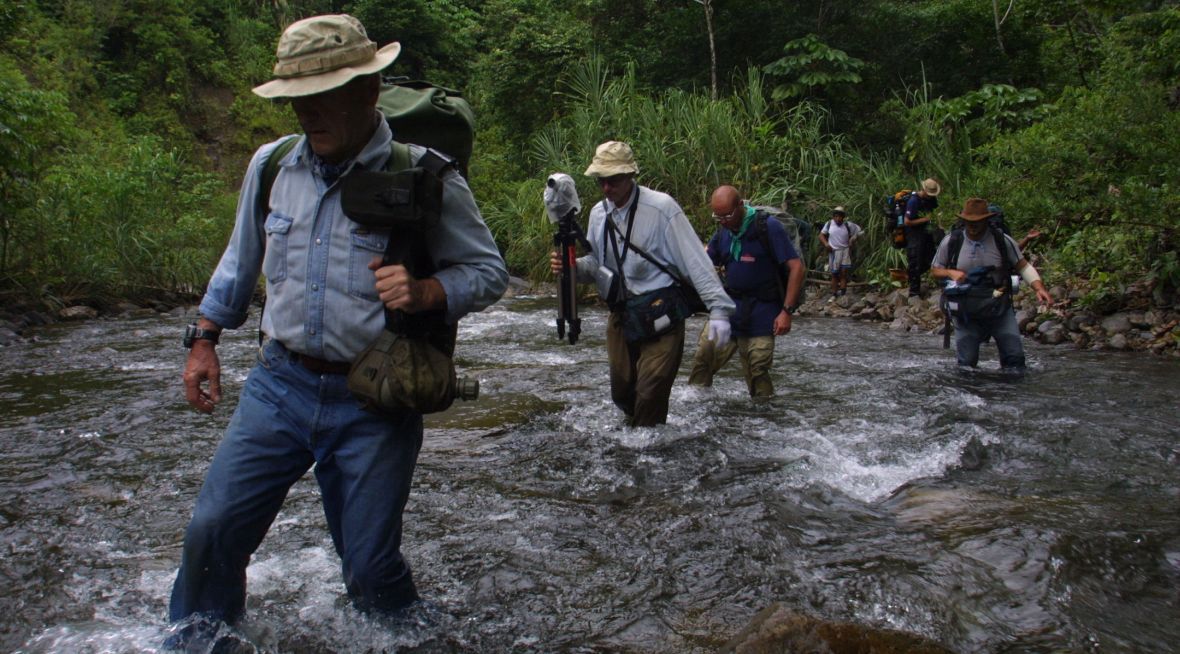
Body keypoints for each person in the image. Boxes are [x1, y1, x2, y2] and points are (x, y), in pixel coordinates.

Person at [168, 13, 508, 640]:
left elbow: (489, 273)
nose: (307, 114)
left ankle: (406, 639)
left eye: (323, 97)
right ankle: (195, 643)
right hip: (278, 386)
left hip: (373, 399)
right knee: (211, 533)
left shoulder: (427, 174)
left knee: (371, 568)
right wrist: (206, 340)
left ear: (368, 91)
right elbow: (239, 264)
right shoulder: (271, 167)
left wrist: (429, 290)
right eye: (297, 100)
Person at [548, 141, 734, 426]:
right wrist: (572, 267)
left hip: (662, 314)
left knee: (650, 392)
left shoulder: (662, 208)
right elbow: (598, 265)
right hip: (622, 313)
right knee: (622, 391)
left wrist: (719, 311)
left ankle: (648, 450)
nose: (607, 188)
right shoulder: (599, 213)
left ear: (630, 175)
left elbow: (696, 261)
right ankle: (634, 436)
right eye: (602, 182)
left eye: (613, 180)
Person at [686, 185, 804, 397]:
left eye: (727, 215)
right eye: (718, 216)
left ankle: (763, 415)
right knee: (704, 357)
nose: (723, 221)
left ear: (741, 205)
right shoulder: (724, 230)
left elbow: (796, 267)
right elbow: (705, 260)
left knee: (758, 369)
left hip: (763, 311)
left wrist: (786, 311)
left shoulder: (768, 228)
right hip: (729, 311)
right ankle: (695, 405)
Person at [930, 198, 1052, 371]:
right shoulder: (951, 241)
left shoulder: (1002, 240)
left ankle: (1010, 395)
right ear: (963, 220)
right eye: (968, 222)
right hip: (965, 311)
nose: (972, 226)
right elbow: (935, 270)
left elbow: (1023, 266)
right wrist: (950, 272)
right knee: (967, 363)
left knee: (1014, 358)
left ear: (986, 220)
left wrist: (1039, 288)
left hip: (999, 307)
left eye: (977, 222)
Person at [903, 178, 941, 297]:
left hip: (927, 233)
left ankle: (939, 284)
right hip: (914, 234)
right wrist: (926, 219)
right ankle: (914, 292)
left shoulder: (932, 200)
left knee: (932, 259)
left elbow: (936, 212)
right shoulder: (914, 201)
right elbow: (907, 222)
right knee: (915, 261)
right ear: (924, 190)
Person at [818, 206, 861, 297]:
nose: (838, 218)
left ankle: (843, 293)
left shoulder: (848, 225)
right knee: (834, 273)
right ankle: (834, 294)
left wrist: (852, 239)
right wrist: (826, 244)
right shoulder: (829, 224)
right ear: (833, 217)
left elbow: (859, 231)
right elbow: (821, 235)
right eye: (836, 216)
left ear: (843, 217)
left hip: (845, 250)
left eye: (840, 216)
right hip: (834, 251)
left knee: (844, 272)